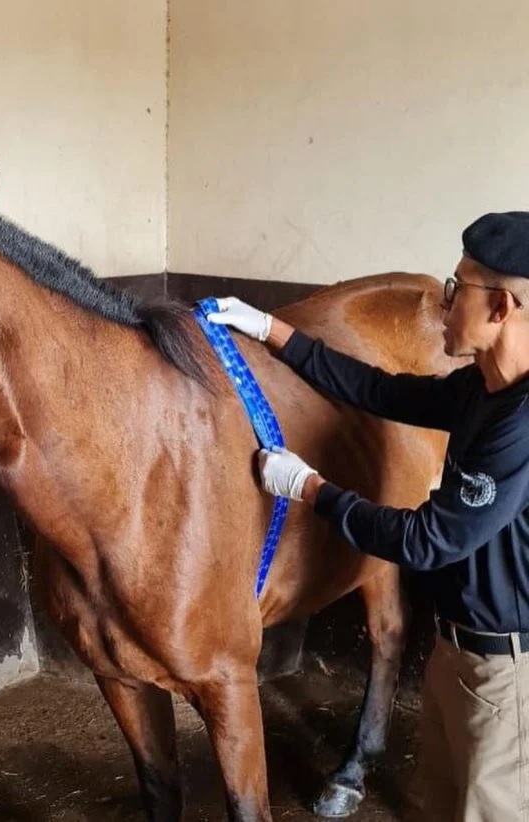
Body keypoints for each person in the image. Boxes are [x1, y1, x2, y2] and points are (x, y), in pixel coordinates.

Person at [207, 211, 529, 822]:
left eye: (457, 290)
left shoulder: (520, 425)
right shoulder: (479, 390)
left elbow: (428, 540)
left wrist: (311, 490)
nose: (443, 304)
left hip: (507, 675)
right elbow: (378, 391)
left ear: (500, 310)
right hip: (455, 650)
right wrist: (272, 330)